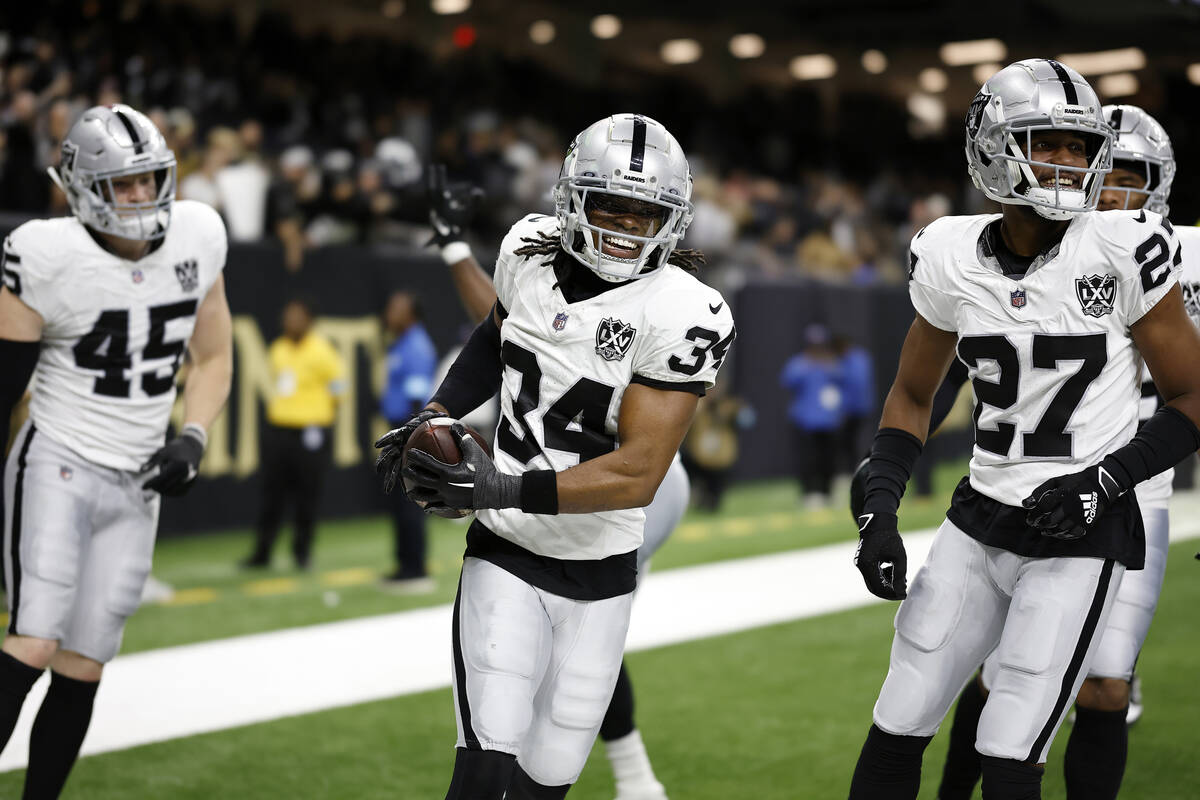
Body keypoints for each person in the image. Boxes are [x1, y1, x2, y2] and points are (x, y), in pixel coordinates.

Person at [846, 60, 1200, 800]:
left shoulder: (1122, 245)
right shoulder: (947, 253)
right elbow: (915, 393)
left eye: (1080, 146)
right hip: (977, 521)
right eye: (1048, 142)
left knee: (1011, 751)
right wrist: (879, 502)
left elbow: (1193, 396)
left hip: (1082, 531)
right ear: (991, 146)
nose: (1069, 161)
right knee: (896, 723)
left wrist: (1107, 478)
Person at [375, 115, 734, 799]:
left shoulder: (686, 310)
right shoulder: (527, 252)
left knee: (548, 783)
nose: (626, 228)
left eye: (645, 214)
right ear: (572, 197)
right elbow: (498, 332)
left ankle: (632, 771)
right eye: (611, 207)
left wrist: (497, 487)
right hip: (508, 551)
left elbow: (638, 474)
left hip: (601, 564)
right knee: (484, 769)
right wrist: (440, 410)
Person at [0, 104, 232, 798]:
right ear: (78, 187)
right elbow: (5, 386)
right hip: (58, 459)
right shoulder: (44, 251)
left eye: (148, 179)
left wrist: (193, 433)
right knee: (35, 640)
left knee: (85, 662)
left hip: (137, 482)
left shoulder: (197, 232)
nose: (139, 196)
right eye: (121, 184)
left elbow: (214, 354)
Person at [243, 297, 344, 569]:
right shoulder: (278, 348)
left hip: (310, 431)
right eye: (288, 316)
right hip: (280, 429)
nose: (291, 321)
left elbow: (339, 388)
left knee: (306, 495)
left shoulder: (322, 351)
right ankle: (262, 552)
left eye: (297, 316)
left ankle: (302, 553)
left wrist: (320, 412)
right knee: (271, 494)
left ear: (309, 320)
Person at [379, 290, 439, 592]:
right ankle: (404, 564)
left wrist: (408, 437)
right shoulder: (400, 343)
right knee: (399, 501)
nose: (389, 313)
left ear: (412, 313)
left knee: (409, 499)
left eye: (396, 308)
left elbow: (418, 397)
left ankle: (415, 569)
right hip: (397, 426)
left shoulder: (416, 345)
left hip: (408, 428)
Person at [780, 323, 844, 509]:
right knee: (808, 459)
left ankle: (827, 493)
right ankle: (809, 494)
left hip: (829, 420)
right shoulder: (799, 363)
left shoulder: (832, 363)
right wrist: (810, 366)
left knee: (829, 459)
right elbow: (788, 380)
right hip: (805, 420)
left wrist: (828, 366)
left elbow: (843, 379)